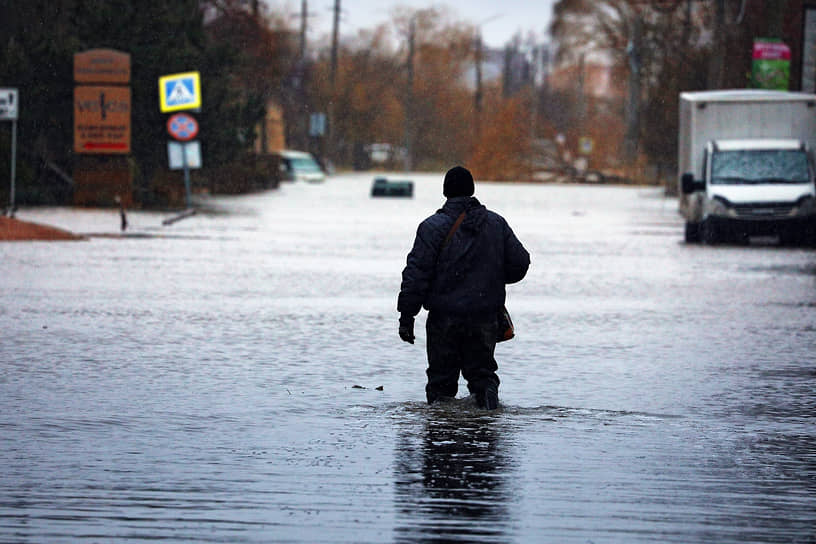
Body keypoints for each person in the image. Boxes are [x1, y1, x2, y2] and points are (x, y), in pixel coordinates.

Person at [397, 166, 530, 409]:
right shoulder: (496, 224)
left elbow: (417, 274)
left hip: (444, 319)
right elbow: (521, 264)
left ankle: (439, 439)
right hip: (484, 317)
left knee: (441, 385)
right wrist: (491, 279)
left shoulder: (431, 227)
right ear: (472, 190)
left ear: (445, 191)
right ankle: (487, 432)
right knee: (483, 378)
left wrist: (407, 316)